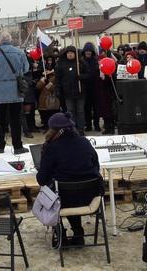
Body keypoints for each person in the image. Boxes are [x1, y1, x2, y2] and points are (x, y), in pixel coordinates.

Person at [36, 112, 103, 246]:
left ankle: (60, 232)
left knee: (53, 191)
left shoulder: (51, 147)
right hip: (91, 197)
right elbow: (96, 166)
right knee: (72, 188)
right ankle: (78, 233)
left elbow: (42, 179)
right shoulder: (84, 142)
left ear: (54, 130)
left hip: (63, 200)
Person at [0, 31, 30, 154]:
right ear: (11, 40)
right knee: (15, 120)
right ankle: (18, 147)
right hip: (15, 90)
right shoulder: (19, 53)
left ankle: (0, 146)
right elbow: (26, 68)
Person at [55, 46, 89, 136]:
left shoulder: (81, 63)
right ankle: (72, 129)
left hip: (80, 92)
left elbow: (88, 75)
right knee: (70, 111)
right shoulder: (61, 64)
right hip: (67, 92)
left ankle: (80, 129)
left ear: (75, 54)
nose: (70, 54)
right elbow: (58, 79)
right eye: (68, 53)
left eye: (72, 53)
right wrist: (58, 89)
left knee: (80, 111)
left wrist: (81, 77)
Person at [82, 42, 101, 132]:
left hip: (95, 87)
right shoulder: (81, 62)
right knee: (87, 108)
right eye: (86, 51)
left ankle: (96, 124)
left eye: (89, 51)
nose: (88, 52)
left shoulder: (97, 61)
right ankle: (88, 125)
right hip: (85, 88)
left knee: (96, 108)